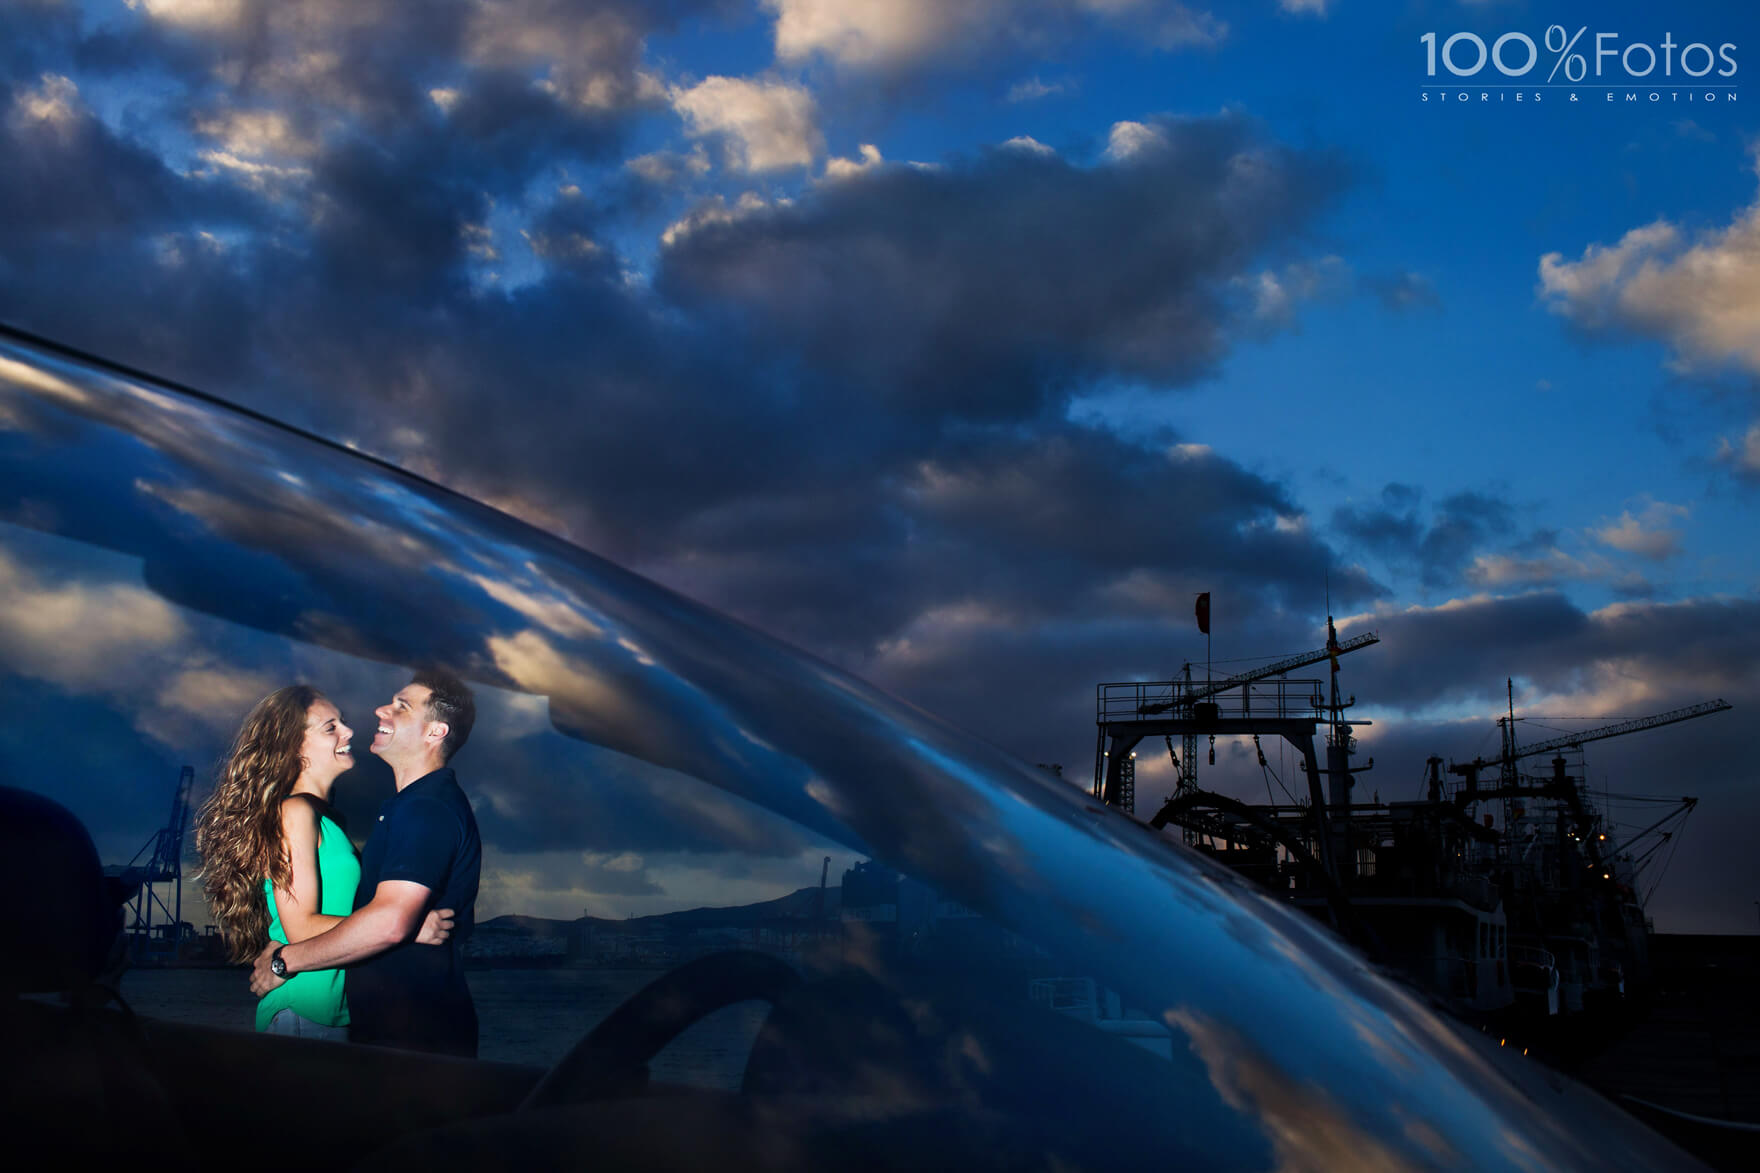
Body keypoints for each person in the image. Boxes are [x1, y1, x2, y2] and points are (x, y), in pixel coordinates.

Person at [194, 685, 452, 1040]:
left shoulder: (327, 820)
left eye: (343, 723)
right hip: (303, 1009)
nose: (348, 732)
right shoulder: (294, 812)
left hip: (329, 1012)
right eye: (331, 727)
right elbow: (300, 927)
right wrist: (405, 929)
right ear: (293, 746)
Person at [250, 669, 482, 1057]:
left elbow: (387, 922)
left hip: (410, 1036)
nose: (377, 711)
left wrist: (281, 961)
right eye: (331, 727)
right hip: (340, 1019)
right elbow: (315, 922)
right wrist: (407, 928)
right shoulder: (402, 809)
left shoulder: (425, 808)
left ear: (435, 732)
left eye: (401, 706)